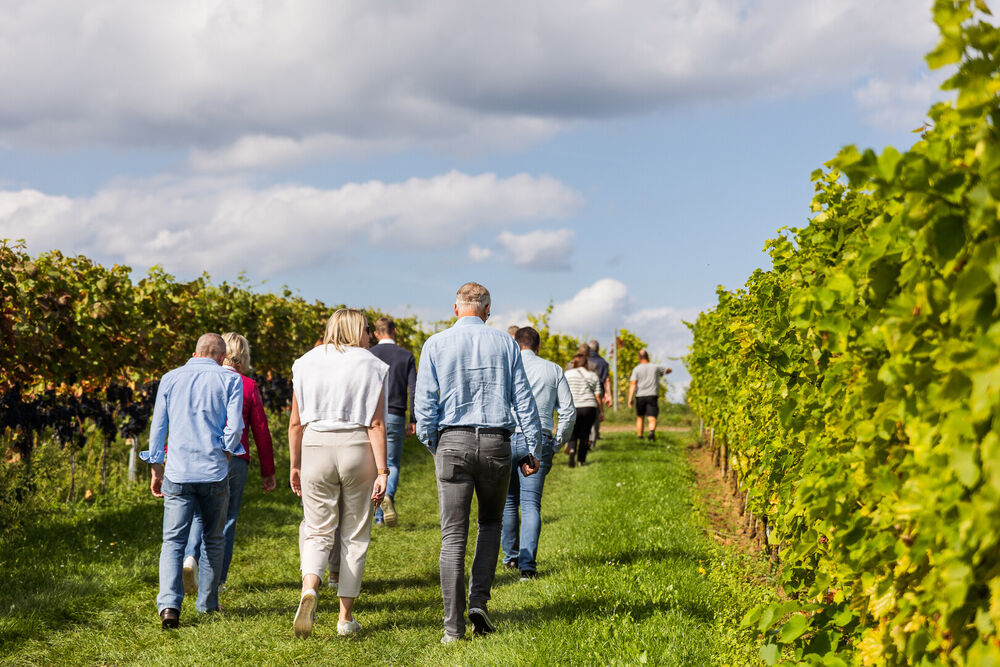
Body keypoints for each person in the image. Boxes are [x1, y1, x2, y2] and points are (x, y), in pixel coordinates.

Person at [414, 282, 543, 644]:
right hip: (496, 442)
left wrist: (433, 444)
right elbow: (523, 398)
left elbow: (424, 403)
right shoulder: (505, 342)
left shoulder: (435, 344)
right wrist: (532, 449)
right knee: (490, 524)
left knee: (452, 536)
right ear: (488, 310)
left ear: (455, 309)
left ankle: (452, 629)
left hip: (451, 440)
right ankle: (479, 601)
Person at [288, 309, 390, 639]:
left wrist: (295, 463)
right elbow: (376, 423)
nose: (370, 337)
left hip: (315, 443)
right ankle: (345, 618)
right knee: (355, 532)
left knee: (317, 528)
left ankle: (310, 586)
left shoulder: (304, 362)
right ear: (354, 330)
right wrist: (383, 470)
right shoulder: (372, 364)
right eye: (365, 330)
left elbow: (295, 423)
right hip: (356, 444)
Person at [141, 333, 245, 629]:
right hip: (213, 471)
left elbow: (158, 426)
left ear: (195, 351)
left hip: (178, 471)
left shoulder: (171, 378)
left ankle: (170, 606)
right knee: (213, 539)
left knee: (173, 541)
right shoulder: (230, 380)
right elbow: (235, 427)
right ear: (222, 356)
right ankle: (207, 605)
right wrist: (226, 453)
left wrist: (156, 466)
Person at [182, 332, 277, 597]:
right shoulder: (246, 385)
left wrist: (169, 452)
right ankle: (217, 580)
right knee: (226, 519)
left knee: (199, 513)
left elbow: (185, 417)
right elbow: (260, 430)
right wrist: (267, 471)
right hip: (235, 459)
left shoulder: (199, 379)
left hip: (201, 454)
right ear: (243, 356)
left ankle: (190, 558)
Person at [501, 326, 576, 580]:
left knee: (509, 500)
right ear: (538, 346)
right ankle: (527, 567)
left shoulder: (505, 366)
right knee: (531, 503)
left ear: (515, 344)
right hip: (538, 438)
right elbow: (568, 411)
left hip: (506, 436)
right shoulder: (553, 369)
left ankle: (510, 557)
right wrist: (556, 443)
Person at [369, 317, 417, 527]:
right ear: (395, 331)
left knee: (374, 464)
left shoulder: (368, 355)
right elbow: (414, 389)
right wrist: (414, 418)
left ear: (376, 334)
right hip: (396, 414)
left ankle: (377, 515)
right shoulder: (406, 356)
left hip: (372, 416)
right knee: (393, 463)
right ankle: (387, 497)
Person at [563, 353, 603, 467]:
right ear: (586, 364)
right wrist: (601, 411)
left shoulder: (567, 374)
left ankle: (571, 450)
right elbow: (598, 396)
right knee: (585, 433)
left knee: (573, 431)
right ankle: (581, 460)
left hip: (572, 406)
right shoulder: (592, 375)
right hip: (589, 407)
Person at [627, 349, 672, 441]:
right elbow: (668, 370)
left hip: (640, 396)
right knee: (652, 417)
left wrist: (630, 398)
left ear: (639, 358)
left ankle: (640, 436)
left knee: (640, 417)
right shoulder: (655, 367)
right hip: (652, 395)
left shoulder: (636, 369)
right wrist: (667, 371)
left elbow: (633, 384)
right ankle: (651, 431)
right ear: (648, 357)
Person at [587, 340, 613, 447]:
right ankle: (593, 438)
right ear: (598, 349)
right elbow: (607, 380)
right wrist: (608, 395)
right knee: (596, 414)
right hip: (598, 390)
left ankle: (585, 436)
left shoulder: (584, 361)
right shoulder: (603, 362)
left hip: (585, 390)